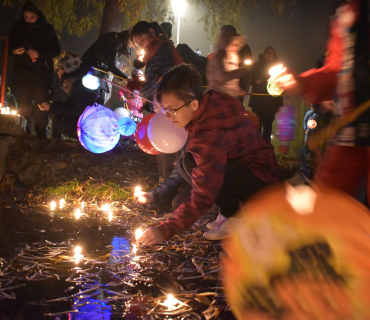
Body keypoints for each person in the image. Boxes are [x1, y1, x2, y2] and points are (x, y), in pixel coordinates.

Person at [137, 64, 279, 245]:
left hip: (262, 182)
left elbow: (204, 193)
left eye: (172, 109)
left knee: (191, 168)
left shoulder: (208, 136)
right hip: (248, 170)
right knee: (185, 166)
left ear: (193, 104)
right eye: (164, 109)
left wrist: (165, 230)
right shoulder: (211, 103)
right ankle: (231, 208)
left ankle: (234, 216)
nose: (167, 116)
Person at [275, 0, 370, 202]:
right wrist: (301, 83)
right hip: (351, 130)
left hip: (353, 127)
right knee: (326, 204)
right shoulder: (345, 10)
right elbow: (339, 70)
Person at [130, 21, 184, 182]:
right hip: (161, 103)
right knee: (162, 142)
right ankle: (165, 180)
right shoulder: (154, 51)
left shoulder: (162, 49)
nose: (140, 44)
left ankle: (169, 181)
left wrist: (145, 92)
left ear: (151, 32)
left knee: (168, 140)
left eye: (141, 39)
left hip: (169, 104)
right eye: (137, 42)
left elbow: (165, 77)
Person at [9, 1, 60, 139]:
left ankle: (40, 135)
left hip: (41, 73)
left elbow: (56, 50)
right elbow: (8, 47)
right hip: (22, 72)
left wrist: (39, 54)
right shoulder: (17, 27)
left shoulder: (47, 29)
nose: (29, 20)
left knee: (40, 105)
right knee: (23, 104)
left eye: (32, 17)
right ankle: (22, 133)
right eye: (26, 17)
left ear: (37, 15)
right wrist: (14, 51)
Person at [39, 53, 97, 150]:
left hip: (87, 127)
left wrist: (51, 107)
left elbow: (77, 111)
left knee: (58, 115)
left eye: (60, 68)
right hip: (84, 122)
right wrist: (53, 106)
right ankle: (55, 141)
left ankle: (56, 142)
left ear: (68, 70)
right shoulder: (73, 83)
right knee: (57, 107)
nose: (58, 72)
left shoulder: (78, 86)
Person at [82, 30, 130, 104]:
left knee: (98, 99)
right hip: (92, 71)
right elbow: (112, 66)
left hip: (95, 70)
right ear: (126, 42)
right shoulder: (116, 42)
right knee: (94, 100)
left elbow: (111, 62)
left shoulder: (115, 38)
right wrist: (127, 78)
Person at [206, 25, 251, 99]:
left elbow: (232, 81)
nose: (236, 46)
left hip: (230, 98)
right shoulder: (219, 56)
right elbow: (222, 77)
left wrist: (237, 90)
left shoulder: (234, 56)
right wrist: (241, 71)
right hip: (218, 98)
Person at [249, 46, 284, 142]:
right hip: (258, 101)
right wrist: (255, 81)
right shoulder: (257, 65)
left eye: (271, 52)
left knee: (268, 128)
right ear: (263, 53)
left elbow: (282, 84)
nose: (269, 54)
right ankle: (256, 148)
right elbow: (249, 79)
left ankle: (266, 151)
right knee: (257, 125)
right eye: (267, 52)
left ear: (274, 54)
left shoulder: (277, 67)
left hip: (271, 102)